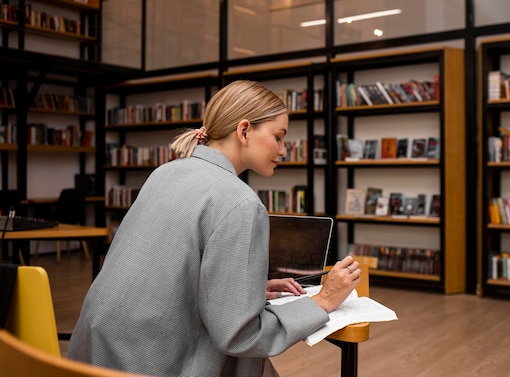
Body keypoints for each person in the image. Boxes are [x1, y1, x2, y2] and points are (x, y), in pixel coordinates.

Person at [68, 80, 361, 377]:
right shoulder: (241, 202)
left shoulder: (166, 172)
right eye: (279, 137)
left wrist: (245, 291)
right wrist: (322, 301)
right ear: (244, 131)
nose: (284, 150)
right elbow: (240, 336)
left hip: (96, 351)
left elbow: (162, 274)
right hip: (155, 363)